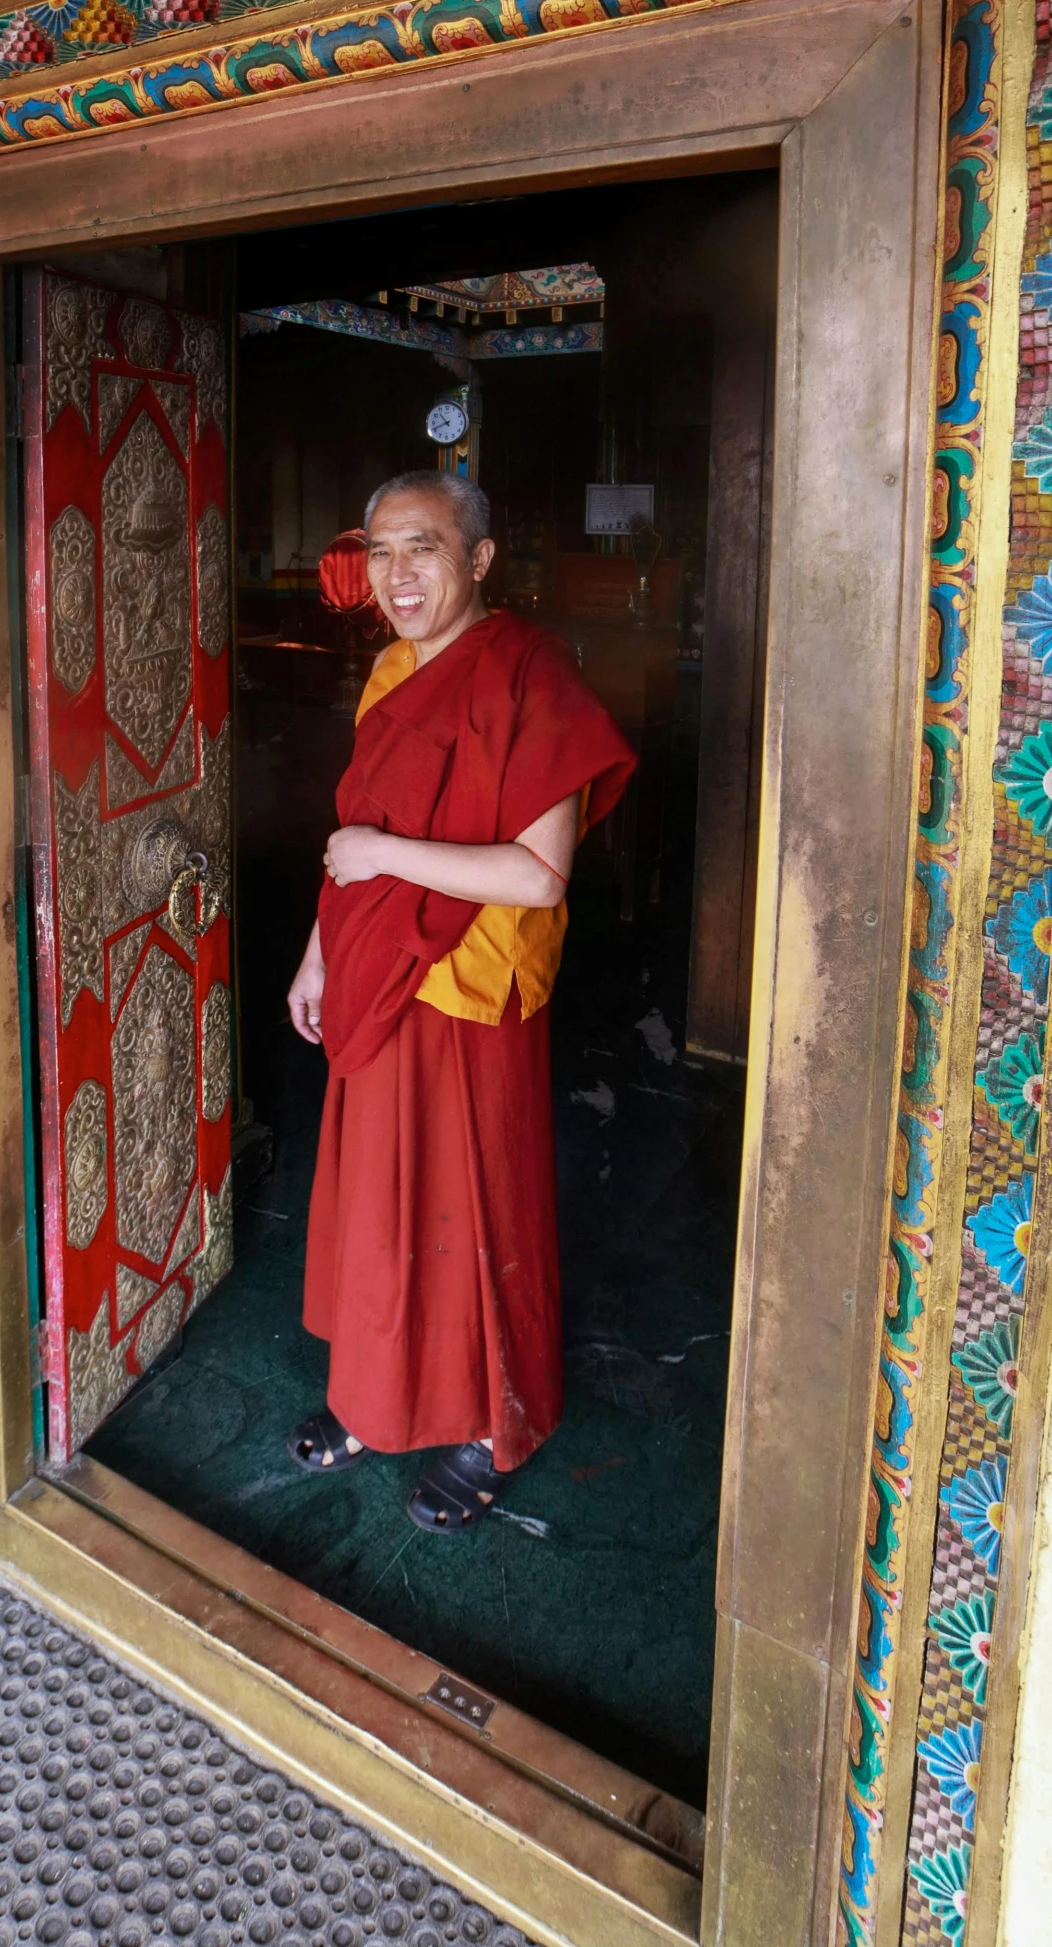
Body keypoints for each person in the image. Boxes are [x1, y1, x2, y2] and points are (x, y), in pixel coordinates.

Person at [285, 470, 637, 1531]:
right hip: (378, 973)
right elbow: (353, 839)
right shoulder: (390, 672)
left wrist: (384, 852)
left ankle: (495, 1423)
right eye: (381, 551)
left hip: (472, 987)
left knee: (475, 1210)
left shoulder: (534, 679)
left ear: (478, 559)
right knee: (379, 1208)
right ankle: (371, 1396)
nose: (398, 574)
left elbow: (537, 874)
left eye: (424, 549)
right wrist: (317, 956)